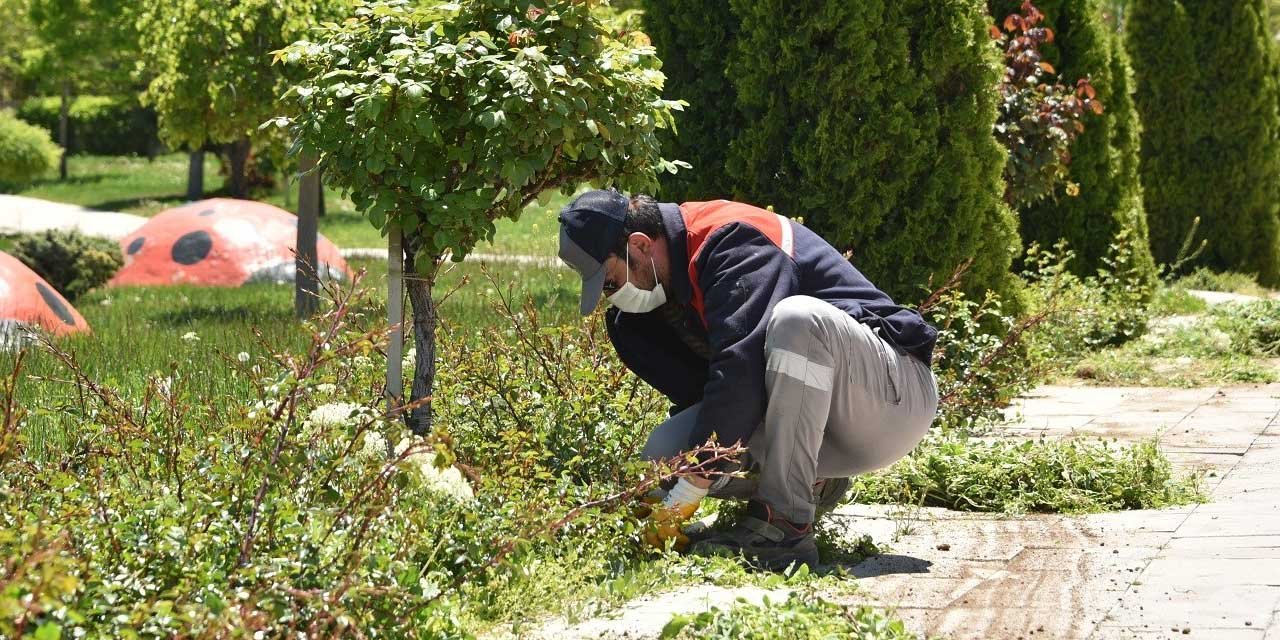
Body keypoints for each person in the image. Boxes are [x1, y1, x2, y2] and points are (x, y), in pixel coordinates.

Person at [557, 190, 939, 570]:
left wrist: (693, 485)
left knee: (798, 321)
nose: (614, 295)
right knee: (662, 456)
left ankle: (785, 525)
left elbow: (740, 370)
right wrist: (654, 496)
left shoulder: (730, 238)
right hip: (824, 427)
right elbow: (712, 402)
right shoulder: (656, 303)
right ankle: (814, 483)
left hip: (893, 400)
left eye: (610, 281)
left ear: (639, 245)